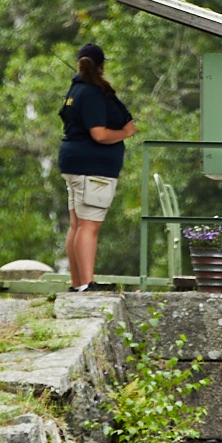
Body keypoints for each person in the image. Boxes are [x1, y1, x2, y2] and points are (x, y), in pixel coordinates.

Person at [57, 43, 136, 292]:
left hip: (75, 163)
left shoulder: (76, 89)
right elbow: (99, 134)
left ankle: (77, 283)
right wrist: (124, 132)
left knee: (78, 225)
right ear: (101, 65)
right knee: (89, 225)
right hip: (92, 168)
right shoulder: (90, 93)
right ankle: (86, 284)